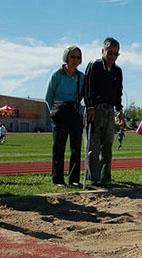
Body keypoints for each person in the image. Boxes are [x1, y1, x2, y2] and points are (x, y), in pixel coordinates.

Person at [83, 37, 125, 186]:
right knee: (93, 145)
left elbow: (118, 92)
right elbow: (87, 87)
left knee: (107, 145)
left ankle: (105, 176)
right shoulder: (94, 65)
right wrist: (90, 106)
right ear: (103, 51)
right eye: (110, 53)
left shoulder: (118, 71)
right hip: (95, 109)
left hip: (110, 109)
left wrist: (119, 110)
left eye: (116, 54)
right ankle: (93, 177)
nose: (112, 57)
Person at [45, 45, 84, 187]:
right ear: (66, 57)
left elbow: (84, 97)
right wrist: (52, 113)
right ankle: (58, 179)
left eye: (78, 57)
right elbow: (48, 97)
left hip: (75, 114)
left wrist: (81, 110)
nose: (75, 60)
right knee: (58, 148)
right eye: (72, 56)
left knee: (76, 148)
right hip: (59, 114)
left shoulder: (81, 77)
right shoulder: (56, 75)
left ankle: (74, 179)